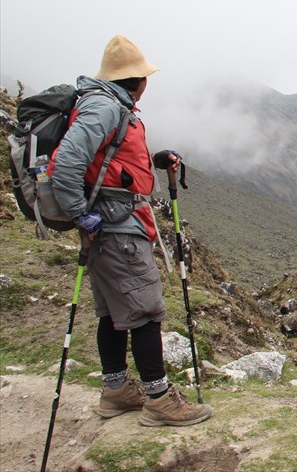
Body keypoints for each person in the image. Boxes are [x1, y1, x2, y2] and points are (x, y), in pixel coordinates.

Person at [50, 35, 212, 427]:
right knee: (144, 310)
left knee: (114, 312)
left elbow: (108, 160)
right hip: (118, 229)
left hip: (111, 226)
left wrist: (154, 160)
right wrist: (79, 214)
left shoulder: (108, 104)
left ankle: (117, 390)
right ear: (138, 79)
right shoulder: (106, 107)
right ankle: (159, 399)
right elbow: (67, 163)